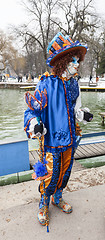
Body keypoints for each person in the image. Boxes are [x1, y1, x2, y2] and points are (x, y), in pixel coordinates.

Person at [24, 32, 93, 226]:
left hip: (71, 137)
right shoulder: (46, 83)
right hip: (52, 140)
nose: (77, 64)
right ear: (62, 61)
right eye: (72, 60)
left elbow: (75, 110)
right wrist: (34, 124)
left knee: (65, 172)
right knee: (50, 175)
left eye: (77, 60)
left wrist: (83, 115)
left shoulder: (74, 84)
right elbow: (31, 111)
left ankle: (58, 197)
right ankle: (44, 203)